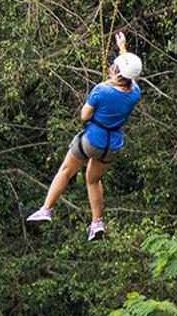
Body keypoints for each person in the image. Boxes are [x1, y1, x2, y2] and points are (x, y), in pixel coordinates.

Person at [26, 32, 142, 241]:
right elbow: (131, 75)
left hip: (93, 140)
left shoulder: (101, 90)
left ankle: (46, 209)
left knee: (67, 170)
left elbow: (84, 115)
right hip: (112, 145)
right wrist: (122, 47)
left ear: (117, 69)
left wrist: (102, 89)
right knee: (93, 179)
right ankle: (96, 223)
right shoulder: (135, 93)